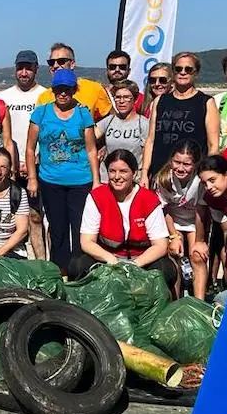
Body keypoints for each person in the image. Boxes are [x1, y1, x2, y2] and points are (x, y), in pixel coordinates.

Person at [69, 150, 177, 291]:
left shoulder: (149, 199)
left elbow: (161, 245)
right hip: (108, 259)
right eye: (112, 171)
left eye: (123, 171)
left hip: (140, 261)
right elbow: (87, 242)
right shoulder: (97, 197)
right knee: (77, 266)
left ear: (134, 173)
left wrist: (135, 264)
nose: (117, 177)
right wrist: (111, 260)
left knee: (166, 269)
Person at [27, 69, 100, 271]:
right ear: (53, 90)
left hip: (80, 180)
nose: (63, 93)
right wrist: (32, 178)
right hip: (50, 181)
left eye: (67, 89)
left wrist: (96, 181)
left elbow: (91, 149)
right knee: (57, 229)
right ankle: (60, 271)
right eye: (59, 89)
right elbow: (30, 148)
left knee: (79, 229)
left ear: (74, 90)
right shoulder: (41, 113)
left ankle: (80, 270)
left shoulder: (83, 113)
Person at [142, 52, 220, 187]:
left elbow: (213, 145)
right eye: (178, 69)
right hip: (160, 173)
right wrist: (144, 173)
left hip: (191, 175)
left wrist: (209, 173)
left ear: (195, 72)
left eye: (188, 69)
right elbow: (151, 140)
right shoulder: (160, 101)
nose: (183, 72)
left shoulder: (206, 102)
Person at [0, 49, 47, 259]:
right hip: (10, 168)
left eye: (28, 68)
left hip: (38, 165)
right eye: (20, 68)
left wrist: (35, 159)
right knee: (11, 218)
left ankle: (42, 262)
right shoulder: (3, 97)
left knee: (36, 217)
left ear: (36, 69)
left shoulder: (45, 96)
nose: (24, 72)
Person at [153, 140, 204, 295]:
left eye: (187, 164)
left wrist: (199, 241)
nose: (180, 168)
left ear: (195, 164)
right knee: (173, 253)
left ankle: (199, 301)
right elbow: (165, 209)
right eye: (177, 162)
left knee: (197, 256)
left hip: (195, 222)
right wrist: (174, 235)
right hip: (173, 221)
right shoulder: (164, 179)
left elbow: (201, 212)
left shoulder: (200, 181)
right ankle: (175, 298)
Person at [191, 155, 227, 300]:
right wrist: (199, 241)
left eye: (212, 180)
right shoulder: (212, 198)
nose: (208, 187)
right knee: (198, 254)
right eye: (204, 183)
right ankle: (198, 306)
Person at [36, 43, 112, 121]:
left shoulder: (94, 89)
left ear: (72, 64)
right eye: (51, 62)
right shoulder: (43, 98)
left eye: (61, 61)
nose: (55, 66)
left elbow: (107, 119)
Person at [96, 80, 148, 183]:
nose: (121, 101)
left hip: (132, 180)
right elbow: (89, 136)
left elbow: (146, 152)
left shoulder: (143, 123)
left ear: (135, 99)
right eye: (118, 97)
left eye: (126, 97)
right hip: (107, 179)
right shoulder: (109, 120)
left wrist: (144, 175)